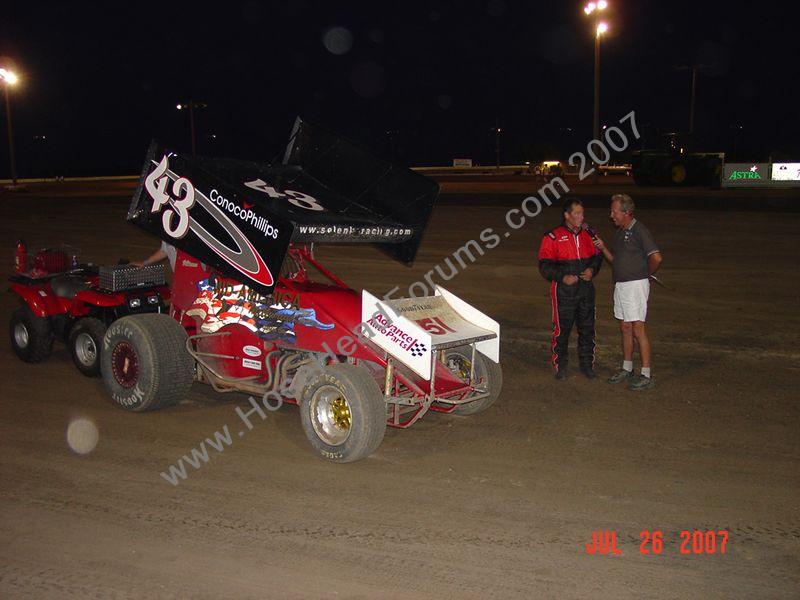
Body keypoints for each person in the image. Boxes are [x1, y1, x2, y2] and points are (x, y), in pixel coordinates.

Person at [592, 194, 662, 391]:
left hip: (635, 285)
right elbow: (616, 262)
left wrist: (645, 275)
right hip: (622, 285)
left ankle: (646, 374)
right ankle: (627, 368)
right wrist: (603, 247)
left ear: (626, 213)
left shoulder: (639, 230)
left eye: (614, 211)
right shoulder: (621, 232)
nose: (611, 215)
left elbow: (656, 257)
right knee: (625, 327)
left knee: (638, 328)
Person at [538, 198, 603, 379]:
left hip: (586, 290)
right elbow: (544, 266)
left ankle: (587, 366)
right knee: (562, 330)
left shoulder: (589, 234)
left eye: (582, 213)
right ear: (567, 215)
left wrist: (592, 270)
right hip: (564, 292)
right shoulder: (552, 236)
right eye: (577, 214)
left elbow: (598, 257)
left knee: (587, 329)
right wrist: (562, 277)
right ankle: (561, 366)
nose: (581, 217)